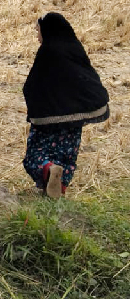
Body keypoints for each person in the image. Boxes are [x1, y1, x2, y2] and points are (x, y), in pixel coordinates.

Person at [21, 12, 109, 198]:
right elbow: (87, 77)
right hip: (74, 119)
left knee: (36, 154)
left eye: (38, 31)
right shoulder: (74, 47)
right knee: (67, 156)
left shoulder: (48, 51)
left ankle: (48, 169)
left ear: (48, 30)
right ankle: (58, 189)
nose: (37, 36)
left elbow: (32, 85)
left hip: (48, 120)